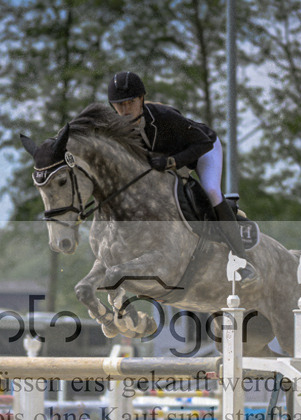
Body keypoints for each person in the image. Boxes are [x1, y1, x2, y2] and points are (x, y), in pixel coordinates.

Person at [107, 71, 256, 282]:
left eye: (129, 102)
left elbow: (203, 142)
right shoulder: (116, 130)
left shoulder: (164, 116)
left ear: (141, 98)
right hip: (169, 165)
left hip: (204, 150)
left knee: (211, 192)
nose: (124, 110)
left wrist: (172, 161)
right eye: (118, 104)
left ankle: (242, 260)